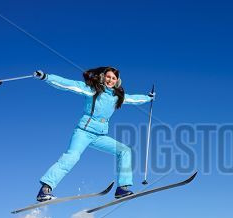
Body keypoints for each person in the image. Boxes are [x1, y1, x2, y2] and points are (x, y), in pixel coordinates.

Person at [33, 66, 155, 202]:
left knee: (125, 151)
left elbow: (133, 99)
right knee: (72, 156)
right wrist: (47, 77)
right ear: (103, 77)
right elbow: (68, 84)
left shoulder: (116, 97)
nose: (110, 80)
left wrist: (148, 98)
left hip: (100, 136)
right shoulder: (92, 90)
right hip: (83, 133)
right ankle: (45, 189)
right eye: (108, 77)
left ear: (117, 81)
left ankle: (122, 188)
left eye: (114, 78)